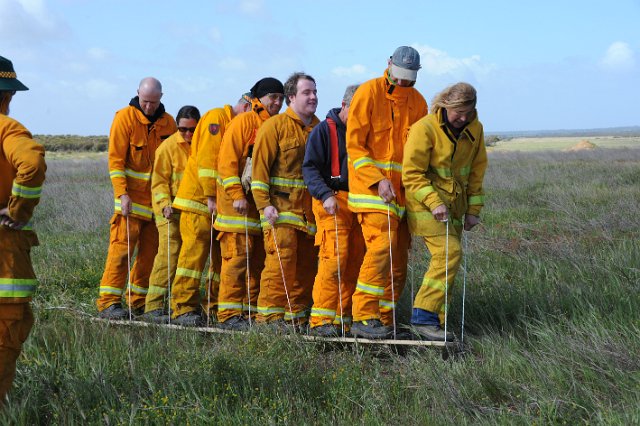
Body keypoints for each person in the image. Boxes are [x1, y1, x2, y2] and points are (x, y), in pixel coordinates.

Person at [346, 46, 428, 339]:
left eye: (410, 78)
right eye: (400, 76)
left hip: (404, 198)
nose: (404, 83)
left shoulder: (418, 103)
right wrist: (377, 179)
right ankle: (364, 316)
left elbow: (419, 152)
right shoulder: (367, 93)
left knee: (397, 264)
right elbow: (355, 147)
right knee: (382, 248)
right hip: (371, 192)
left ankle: (384, 321)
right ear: (389, 65)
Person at [402, 82, 487, 341]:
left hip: (454, 209)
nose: (462, 118)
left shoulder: (476, 129)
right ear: (445, 105)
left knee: (450, 261)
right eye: (458, 112)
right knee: (450, 253)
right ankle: (423, 317)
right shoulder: (424, 128)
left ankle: (436, 326)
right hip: (425, 207)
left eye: (467, 112)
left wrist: (473, 209)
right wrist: (434, 202)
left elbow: (476, 172)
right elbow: (412, 173)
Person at [97, 77, 177, 319]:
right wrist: (122, 194)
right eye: (145, 101)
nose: (149, 107)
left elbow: (172, 164)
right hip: (130, 203)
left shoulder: (169, 123)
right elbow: (116, 162)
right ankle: (109, 303)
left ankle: (138, 303)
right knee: (121, 253)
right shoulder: (124, 118)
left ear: (161, 98)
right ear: (137, 95)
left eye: (153, 102)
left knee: (149, 256)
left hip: (156, 205)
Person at [169, 94, 251, 326]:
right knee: (193, 259)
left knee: (218, 261)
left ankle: (213, 307)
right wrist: (210, 196)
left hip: (218, 207)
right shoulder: (217, 118)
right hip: (199, 202)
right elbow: (207, 160)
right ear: (245, 105)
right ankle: (182, 308)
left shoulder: (236, 125)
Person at [214, 78, 285, 331]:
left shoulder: (277, 125)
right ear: (259, 98)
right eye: (272, 97)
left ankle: (250, 312)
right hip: (236, 210)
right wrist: (237, 196)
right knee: (236, 261)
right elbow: (226, 164)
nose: (276, 102)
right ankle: (229, 315)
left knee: (256, 263)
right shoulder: (243, 122)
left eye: (280, 97)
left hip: (259, 210)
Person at [251, 72, 320, 328]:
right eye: (307, 92)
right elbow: (258, 173)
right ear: (291, 97)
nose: (313, 97)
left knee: (305, 270)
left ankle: (295, 321)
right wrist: (264, 205)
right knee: (280, 268)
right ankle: (269, 321)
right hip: (279, 213)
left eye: (314, 92)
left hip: (309, 217)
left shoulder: (319, 127)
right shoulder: (274, 127)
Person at [0, 56, 46, 403]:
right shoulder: (7, 129)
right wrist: (18, 209)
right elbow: (30, 164)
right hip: (4, 257)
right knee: (6, 335)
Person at [302, 84, 365, 337]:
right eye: (357, 110)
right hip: (332, 200)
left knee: (355, 261)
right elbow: (310, 168)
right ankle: (321, 321)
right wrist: (325, 194)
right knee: (334, 261)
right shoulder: (323, 131)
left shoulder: (362, 130)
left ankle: (343, 320)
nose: (361, 116)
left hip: (359, 203)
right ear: (344, 104)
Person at [142, 105, 201, 323]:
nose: (188, 134)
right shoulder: (166, 148)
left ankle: (182, 304)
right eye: (183, 129)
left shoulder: (201, 146)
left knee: (189, 257)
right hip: (168, 211)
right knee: (169, 253)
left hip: (191, 211)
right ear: (177, 126)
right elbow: (158, 183)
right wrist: (165, 203)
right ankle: (153, 307)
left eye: (192, 130)